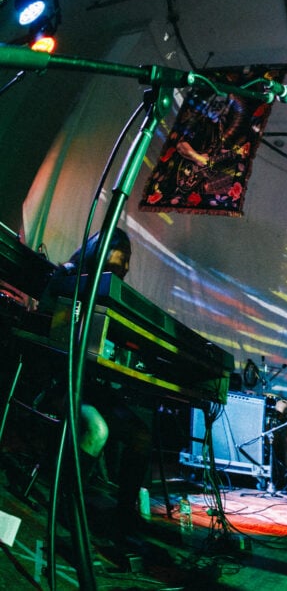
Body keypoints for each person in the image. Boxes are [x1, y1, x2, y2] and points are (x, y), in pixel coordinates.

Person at [43, 228, 153, 539]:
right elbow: (48, 326)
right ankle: (66, 502)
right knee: (97, 429)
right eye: (122, 258)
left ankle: (124, 513)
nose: (126, 267)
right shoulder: (68, 276)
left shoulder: (112, 294)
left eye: (128, 261)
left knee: (141, 435)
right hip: (59, 384)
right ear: (100, 251)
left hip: (91, 387)